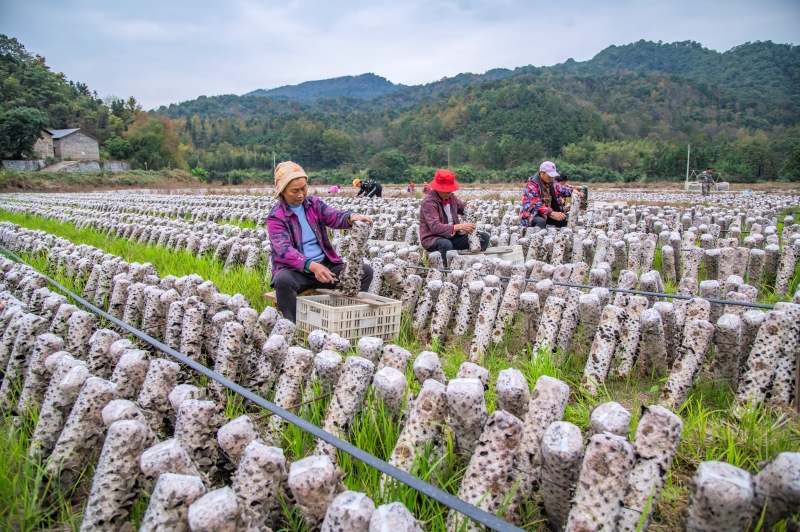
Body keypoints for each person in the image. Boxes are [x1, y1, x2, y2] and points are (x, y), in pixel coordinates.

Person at [268, 161, 374, 323]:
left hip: (325, 267)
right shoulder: (276, 216)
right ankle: (290, 328)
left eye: (303, 188)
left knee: (365, 271)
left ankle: (349, 318)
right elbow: (284, 251)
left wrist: (351, 217)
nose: (301, 195)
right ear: (282, 191)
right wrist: (312, 266)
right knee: (282, 281)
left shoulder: (314, 204)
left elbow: (334, 216)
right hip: (296, 272)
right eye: (294, 191)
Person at [419, 169, 490, 268]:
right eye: (445, 190)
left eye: (449, 189)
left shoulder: (451, 197)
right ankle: (445, 270)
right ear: (437, 188)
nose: (448, 192)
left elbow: (461, 207)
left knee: (484, 237)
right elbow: (435, 227)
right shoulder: (429, 202)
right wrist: (460, 226)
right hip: (434, 238)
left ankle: (473, 265)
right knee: (446, 245)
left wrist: (469, 208)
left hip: (453, 237)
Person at [520, 161, 583, 230]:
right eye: (549, 175)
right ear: (541, 173)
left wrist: (572, 191)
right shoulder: (532, 185)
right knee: (541, 222)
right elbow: (537, 205)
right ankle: (538, 238)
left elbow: (562, 189)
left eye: (552, 176)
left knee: (562, 221)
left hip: (546, 214)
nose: (551, 178)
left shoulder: (551, 183)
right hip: (532, 215)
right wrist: (552, 213)